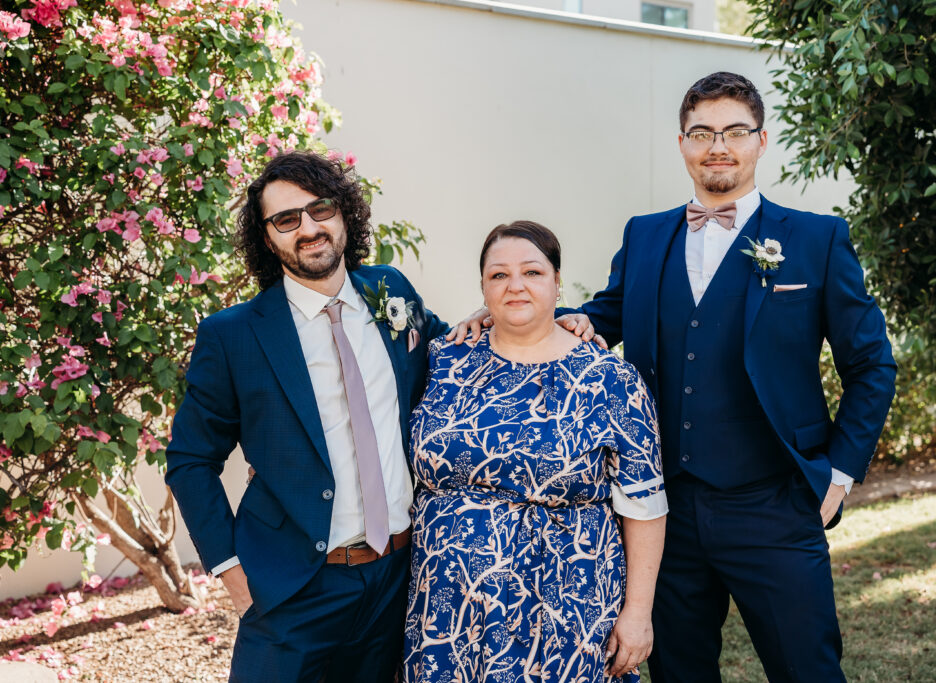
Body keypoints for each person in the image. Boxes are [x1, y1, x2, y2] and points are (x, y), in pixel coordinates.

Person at [471, 72, 898, 681]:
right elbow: (603, 316)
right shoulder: (646, 235)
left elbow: (872, 365)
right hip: (662, 513)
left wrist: (839, 473)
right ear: (681, 144)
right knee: (679, 673)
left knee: (808, 670)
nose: (716, 145)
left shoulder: (816, 239)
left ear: (760, 141)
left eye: (733, 132)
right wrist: (506, 312)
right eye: (701, 132)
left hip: (774, 502)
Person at [164, 150, 449, 682]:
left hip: (397, 577)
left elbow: (459, 349)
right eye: (286, 219)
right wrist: (231, 573)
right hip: (292, 587)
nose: (309, 228)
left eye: (319, 209)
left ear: (344, 213)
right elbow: (189, 460)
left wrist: (556, 326)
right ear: (267, 237)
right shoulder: (234, 335)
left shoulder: (392, 293)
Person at [403, 221, 667, 682]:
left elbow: (644, 505)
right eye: (499, 275)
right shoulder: (445, 359)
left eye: (532, 272)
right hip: (448, 605)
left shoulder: (609, 379)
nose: (515, 285)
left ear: (557, 281)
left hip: (567, 603)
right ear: (482, 287)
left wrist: (638, 613)